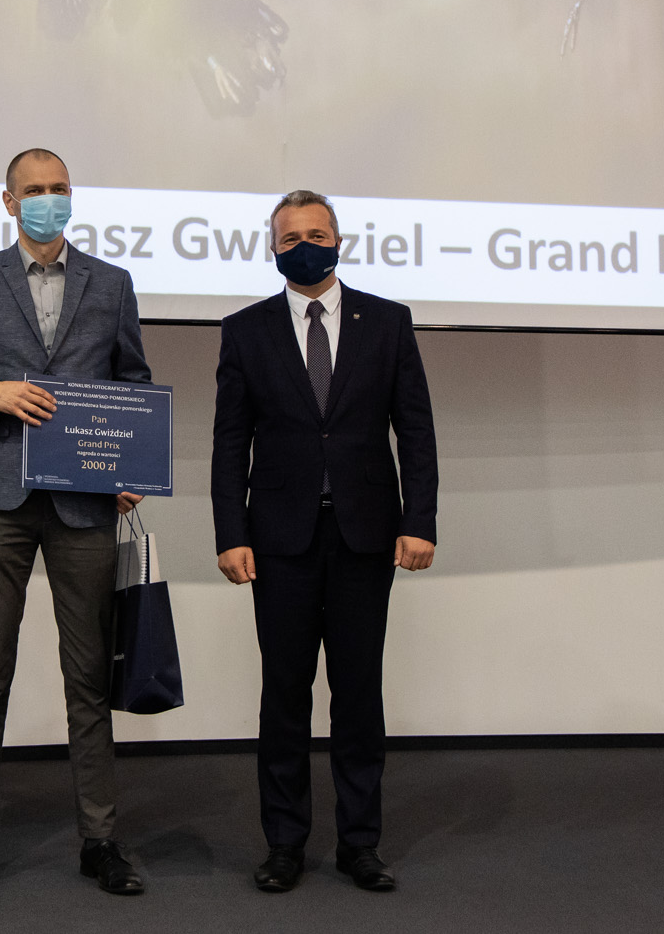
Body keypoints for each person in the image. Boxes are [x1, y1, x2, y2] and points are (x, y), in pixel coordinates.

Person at [0, 148, 152, 903]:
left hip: (84, 500)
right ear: (9, 202)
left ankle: (100, 839)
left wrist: (129, 462)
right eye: (35, 190)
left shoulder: (111, 283)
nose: (49, 199)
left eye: (60, 188)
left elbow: (133, 383)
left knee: (89, 674)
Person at [210, 189, 438, 894]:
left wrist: (420, 520)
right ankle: (284, 842)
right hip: (279, 541)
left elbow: (416, 430)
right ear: (272, 249)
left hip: (366, 536)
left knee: (358, 693)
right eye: (291, 237)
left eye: (317, 233)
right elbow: (229, 442)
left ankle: (359, 843)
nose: (304, 245)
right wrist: (230, 533)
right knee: (284, 693)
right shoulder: (244, 330)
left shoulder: (388, 321)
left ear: (340, 241)